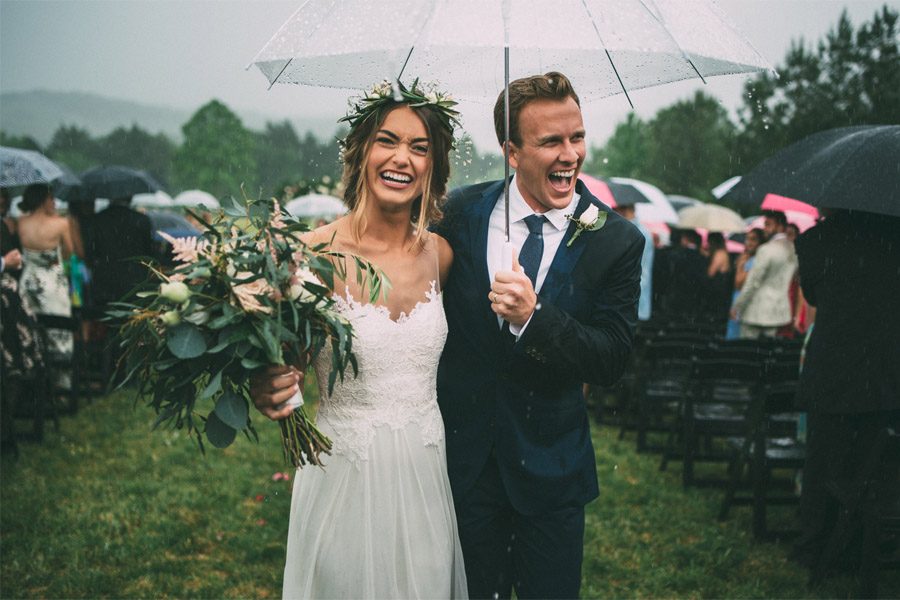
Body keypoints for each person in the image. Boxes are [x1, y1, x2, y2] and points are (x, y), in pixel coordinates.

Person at [249, 80, 467, 598]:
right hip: (342, 469)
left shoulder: (441, 255)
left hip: (424, 471)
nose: (402, 159)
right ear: (361, 151)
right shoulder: (309, 252)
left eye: (420, 147)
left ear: (434, 165)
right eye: (387, 140)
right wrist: (269, 385)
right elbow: (284, 365)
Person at [433, 72, 644, 599]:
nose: (569, 154)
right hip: (465, 466)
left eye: (577, 137)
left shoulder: (616, 240)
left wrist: (536, 317)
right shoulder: (460, 213)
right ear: (511, 151)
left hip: (552, 473)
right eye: (551, 141)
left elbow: (612, 359)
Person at [791, 210, 900, 571]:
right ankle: (858, 542)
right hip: (885, 366)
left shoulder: (817, 240)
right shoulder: (892, 236)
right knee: (872, 463)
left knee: (822, 460)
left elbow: (815, 296)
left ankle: (813, 544)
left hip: (835, 365)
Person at [16, 184, 82, 387]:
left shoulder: (20, 222)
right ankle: (61, 383)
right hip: (53, 283)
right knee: (58, 330)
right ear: (43, 200)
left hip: (28, 282)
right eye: (51, 198)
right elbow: (71, 253)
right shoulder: (61, 223)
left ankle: (32, 379)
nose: (54, 202)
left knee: (31, 327)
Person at [731, 210, 797, 339]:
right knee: (768, 353)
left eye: (768, 224)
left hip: (756, 310)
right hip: (778, 311)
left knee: (748, 352)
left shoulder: (766, 249)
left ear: (780, 226)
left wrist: (737, 305)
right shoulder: (793, 249)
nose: (765, 228)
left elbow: (753, 282)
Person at [652, 227, 709, 324]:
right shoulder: (703, 257)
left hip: (676, 296)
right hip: (694, 298)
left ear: (685, 238)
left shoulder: (675, 254)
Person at [614, 201, 654, 321]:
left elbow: (641, 271)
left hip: (632, 302)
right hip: (632, 301)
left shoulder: (636, 232)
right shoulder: (641, 232)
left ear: (623, 210)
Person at [725, 227, 763, 340]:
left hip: (744, 303)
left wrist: (740, 266)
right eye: (747, 239)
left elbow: (738, 283)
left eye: (753, 239)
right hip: (737, 300)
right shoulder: (747, 258)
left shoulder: (756, 261)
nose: (748, 243)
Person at [703, 231, 733, 327]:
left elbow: (710, 273)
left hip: (718, 290)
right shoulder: (723, 253)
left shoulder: (719, 254)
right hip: (721, 290)